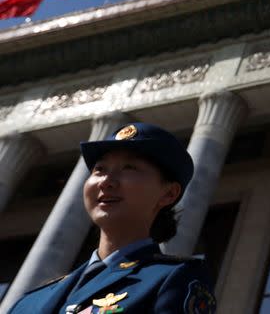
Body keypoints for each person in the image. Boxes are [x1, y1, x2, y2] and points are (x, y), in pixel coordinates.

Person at [9, 122, 216, 314]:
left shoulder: (175, 279)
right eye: (100, 170)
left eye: (129, 168)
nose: (106, 182)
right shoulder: (29, 301)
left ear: (168, 194)